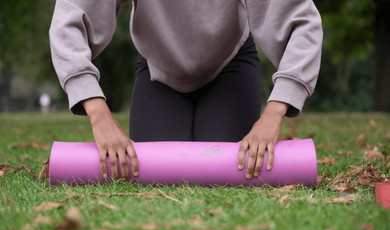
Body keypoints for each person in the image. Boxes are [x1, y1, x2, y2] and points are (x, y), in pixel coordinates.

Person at [49, 0, 323, 182]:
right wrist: (97, 111)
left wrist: (274, 112)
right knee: (154, 174)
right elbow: (68, 18)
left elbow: (303, 23)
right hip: (159, 70)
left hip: (230, 66)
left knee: (228, 172)